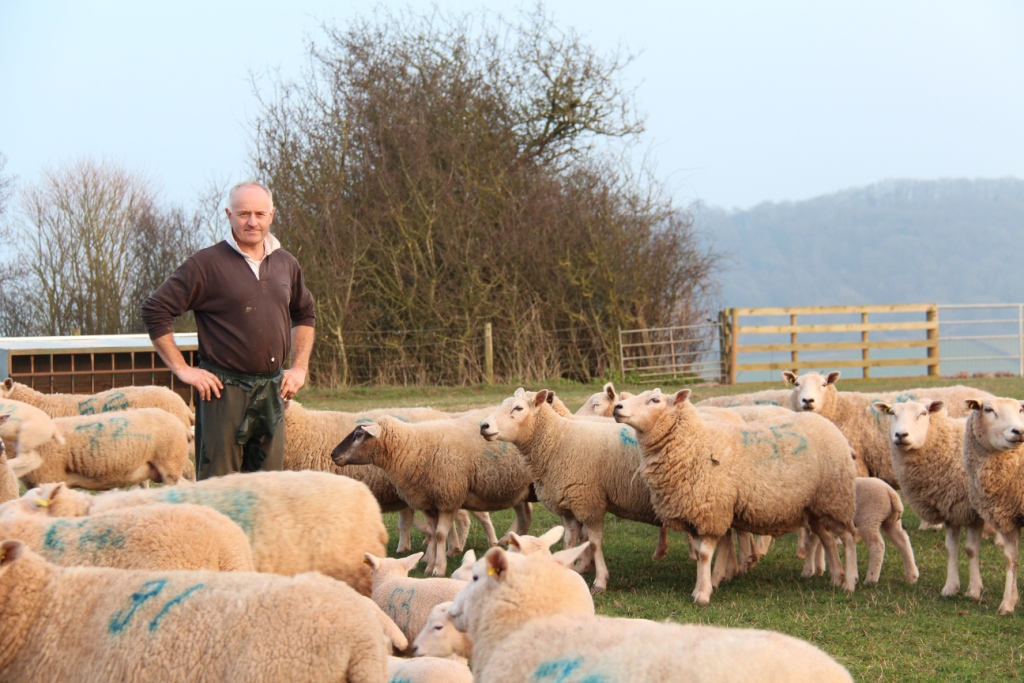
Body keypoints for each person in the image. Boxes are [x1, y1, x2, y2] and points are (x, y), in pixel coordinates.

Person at [142, 181, 315, 479]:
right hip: (223, 393)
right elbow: (155, 309)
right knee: (219, 489)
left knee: (267, 486)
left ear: (271, 215)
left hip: (271, 390)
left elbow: (304, 313)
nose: (252, 221)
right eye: (243, 213)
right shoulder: (206, 264)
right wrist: (183, 370)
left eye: (259, 214)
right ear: (228, 215)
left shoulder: (286, 263)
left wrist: (299, 368)